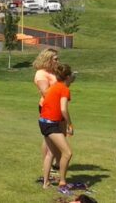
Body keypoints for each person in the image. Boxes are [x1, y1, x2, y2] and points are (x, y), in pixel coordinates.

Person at [39, 63, 75, 191]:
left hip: (43, 121)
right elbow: (63, 109)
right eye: (71, 76)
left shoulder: (54, 86)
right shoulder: (64, 89)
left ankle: (46, 183)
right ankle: (62, 181)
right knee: (67, 153)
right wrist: (69, 124)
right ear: (67, 77)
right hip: (51, 124)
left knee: (51, 153)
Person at [33, 48, 60, 176]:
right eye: (55, 59)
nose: (58, 61)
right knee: (48, 136)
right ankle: (47, 164)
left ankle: (53, 163)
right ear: (47, 59)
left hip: (57, 106)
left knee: (55, 136)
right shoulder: (41, 74)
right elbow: (46, 92)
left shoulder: (53, 72)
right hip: (47, 107)